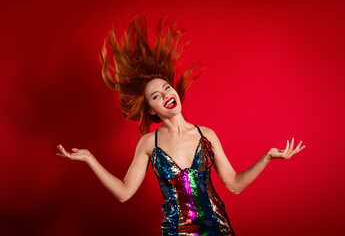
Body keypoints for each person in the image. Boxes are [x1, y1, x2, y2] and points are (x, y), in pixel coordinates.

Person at [56, 15, 306, 235]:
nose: (165, 95)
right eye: (156, 96)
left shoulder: (206, 135)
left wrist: (268, 157)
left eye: (166, 87)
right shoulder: (148, 143)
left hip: (218, 229)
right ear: (151, 109)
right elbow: (124, 193)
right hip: (177, 231)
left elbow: (234, 184)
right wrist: (90, 159)